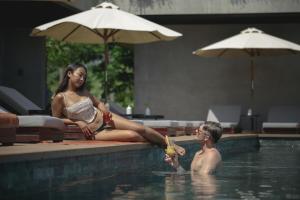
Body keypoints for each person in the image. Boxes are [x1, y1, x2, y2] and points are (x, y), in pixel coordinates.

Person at [51, 63, 185, 156]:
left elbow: (98, 103)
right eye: (80, 75)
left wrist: (105, 112)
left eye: (84, 77)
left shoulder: (84, 91)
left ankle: (169, 144)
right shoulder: (59, 97)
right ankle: (164, 146)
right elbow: (56, 120)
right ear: (69, 73)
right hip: (95, 133)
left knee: (140, 128)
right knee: (134, 135)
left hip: (106, 119)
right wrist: (78, 122)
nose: (82, 79)